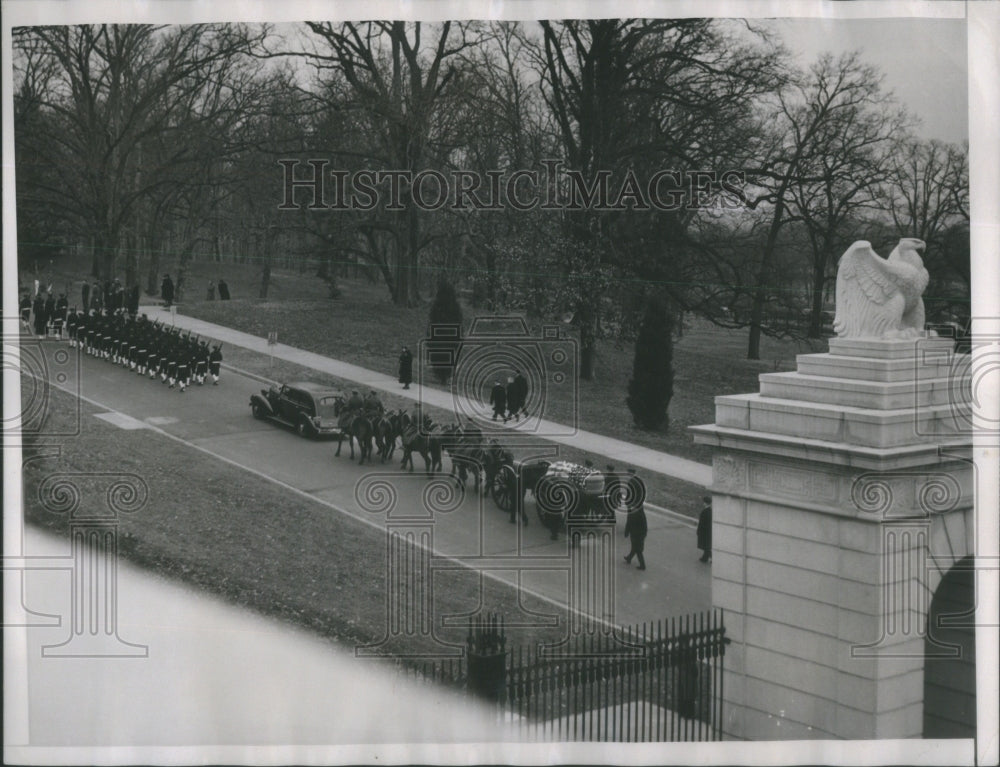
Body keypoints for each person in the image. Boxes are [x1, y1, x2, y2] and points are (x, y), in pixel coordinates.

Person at [623, 469, 647, 570]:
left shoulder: (633, 513)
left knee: (637, 549)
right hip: (640, 533)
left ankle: (642, 565)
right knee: (636, 547)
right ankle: (629, 558)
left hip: (636, 533)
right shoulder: (640, 512)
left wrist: (627, 531)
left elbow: (629, 522)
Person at [697, 496, 712, 563]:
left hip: (704, 531)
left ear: (705, 503)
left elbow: (701, 523)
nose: (703, 503)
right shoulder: (710, 511)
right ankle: (706, 557)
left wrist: (699, 530)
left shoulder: (705, 511)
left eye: (704, 502)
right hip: (708, 531)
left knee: (705, 545)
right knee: (707, 545)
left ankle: (706, 558)